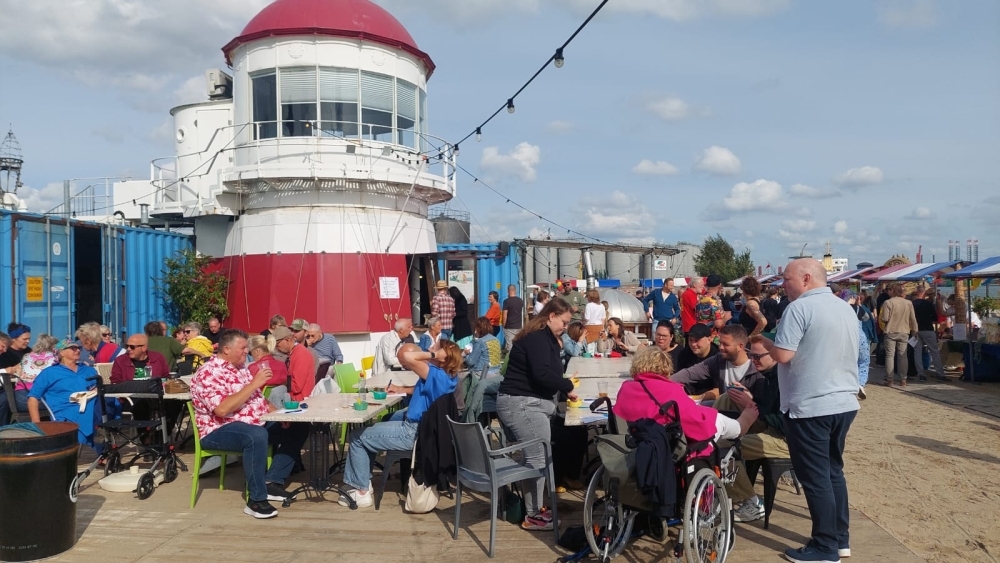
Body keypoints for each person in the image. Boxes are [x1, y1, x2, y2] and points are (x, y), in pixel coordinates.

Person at [761, 259, 860, 562]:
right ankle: (839, 539)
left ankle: (824, 546)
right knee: (833, 473)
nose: (783, 286)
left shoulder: (799, 308)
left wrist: (763, 341)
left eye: (786, 280)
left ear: (805, 279)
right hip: (843, 401)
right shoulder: (844, 308)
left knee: (816, 477)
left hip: (811, 404)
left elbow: (783, 354)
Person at [190, 329, 307, 519]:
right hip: (219, 430)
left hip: (253, 423)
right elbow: (221, 410)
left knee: (299, 425)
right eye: (243, 348)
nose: (247, 352)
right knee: (255, 435)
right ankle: (256, 500)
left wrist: (280, 416)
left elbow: (258, 400)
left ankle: (271, 481)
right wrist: (254, 383)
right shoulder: (208, 373)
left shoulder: (241, 368)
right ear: (226, 349)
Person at [339, 342, 461, 508]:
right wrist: (401, 389)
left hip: (412, 432)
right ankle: (363, 479)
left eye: (434, 348)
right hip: (424, 430)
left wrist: (434, 356)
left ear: (443, 356)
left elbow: (406, 356)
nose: (430, 349)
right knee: (385, 421)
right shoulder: (447, 376)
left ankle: (361, 491)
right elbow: (424, 389)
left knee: (357, 437)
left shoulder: (435, 373)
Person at [497, 298, 578, 531]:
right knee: (538, 459)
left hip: (524, 403)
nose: (565, 326)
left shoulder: (543, 338)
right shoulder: (537, 339)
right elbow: (543, 374)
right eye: (563, 322)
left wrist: (558, 346)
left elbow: (547, 371)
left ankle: (533, 507)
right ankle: (533, 514)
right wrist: (566, 385)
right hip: (523, 404)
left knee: (535, 457)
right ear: (551, 316)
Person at [614, 345, 758, 451]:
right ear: (665, 367)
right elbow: (691, 419)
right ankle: (741, 425)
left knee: (708, 412)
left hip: (637, 440)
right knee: (717, 419)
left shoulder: (627, 387)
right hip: (670, 443)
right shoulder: (670, 389)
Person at [722, 335, 791, 523]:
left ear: (775, 354)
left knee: (726, 449)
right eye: (751, 355)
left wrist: (751, 403)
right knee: (728, 397)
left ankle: (751, 502)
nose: (753, 360)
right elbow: (768, 408)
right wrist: (748, 397)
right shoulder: (768, 376)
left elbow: (784, 422)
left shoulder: (784, 378)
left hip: (785, 438)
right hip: (769, 427)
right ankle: (707, 432)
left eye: (758, 356)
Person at [27, 340, 100, 445]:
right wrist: (37, 425)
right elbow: (33, 397)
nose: (77, 350)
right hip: (65, 413)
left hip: (92, 405)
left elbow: (98, 388)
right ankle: (102, 442)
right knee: (100, 407)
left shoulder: (88, 370)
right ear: (61, 352)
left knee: (107, 401)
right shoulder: (50, 373)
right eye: (73, 348)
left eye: (78, 348)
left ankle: (104, 443)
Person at [671, 325, 765, 403]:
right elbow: (689, 374)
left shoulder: (757, 368)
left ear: (740, 346)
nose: (721, 347)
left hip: (749, 416)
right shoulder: (718, 360)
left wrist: (749, 399)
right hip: (724, 412)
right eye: (720, 343)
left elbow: (762, 407)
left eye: (726, 344)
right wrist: (663, 382)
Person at [879, 283, 918, 387]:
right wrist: (915, 331)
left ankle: (890, 379)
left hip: (891, 331)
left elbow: (885, 318)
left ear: (893, 291)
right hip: (904, 331)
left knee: (890, 356)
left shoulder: (888, 302)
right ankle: (903, 379)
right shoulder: (909, 303)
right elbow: (913, 319)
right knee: (903, 356)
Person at [911, 286, 946, 382]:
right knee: (934, 351)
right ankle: (940, 374)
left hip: (916, 330)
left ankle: (921, 374)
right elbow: (935, 317)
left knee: (917, 352)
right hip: (928, 329)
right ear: (924, 293)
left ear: (916, 292)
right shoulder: (928, 304)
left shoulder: (911, 304)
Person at [272, 326, 315, 401]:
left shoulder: (300, 354)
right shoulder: (294, 353)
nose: (277, 348)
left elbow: (297, 387)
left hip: (301, 402)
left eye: (277, 344)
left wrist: (280, 379)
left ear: (287, 340)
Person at [501, 284, 525, 353]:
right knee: (518, 343)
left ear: (508, 291)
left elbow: (505, 315)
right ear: (515, 290)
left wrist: (503, 325)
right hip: (518, 325)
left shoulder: (506, 301)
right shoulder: (520, 301)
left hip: (509, 326)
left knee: (510, 345)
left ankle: (510, 359)